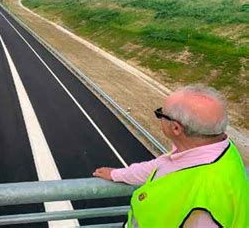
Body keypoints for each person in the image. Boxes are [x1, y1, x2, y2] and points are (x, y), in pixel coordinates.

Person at [93, 85, 248, 227]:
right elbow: (160, 166)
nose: (160, 117)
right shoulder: (215, 148)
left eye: (161, 113)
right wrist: (116, 174)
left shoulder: (205, 206)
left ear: (175, 128)